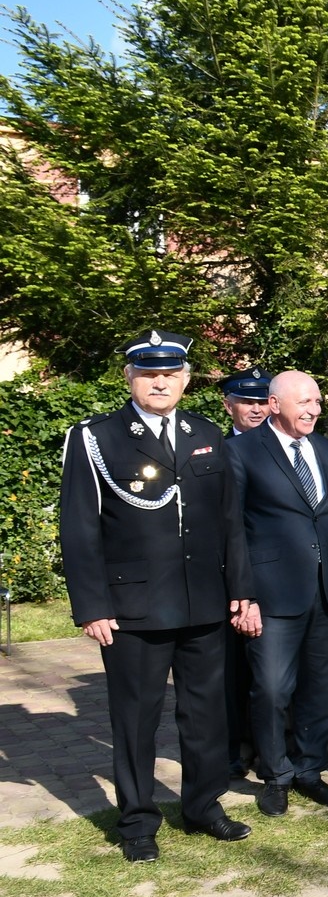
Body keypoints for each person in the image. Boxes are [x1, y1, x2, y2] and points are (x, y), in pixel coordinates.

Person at [59, 331, 254, 861]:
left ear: (186, 380)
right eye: (148, 374)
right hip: (133, 610)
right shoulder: (97, 438)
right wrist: (92, 605)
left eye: (170, 374)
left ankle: (203, 806)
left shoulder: (206, 432)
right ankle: (138, 821)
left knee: (207, 714)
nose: (160, 382)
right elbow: (78, 529)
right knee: (136, 718)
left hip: (204, 603)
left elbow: (229, 523)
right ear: (130, 379)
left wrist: (242, 590)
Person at [224, 370, 328, 818]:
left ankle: (310, 771)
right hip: (271, 596)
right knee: (273, 689)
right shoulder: (240, 451)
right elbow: (232, 530)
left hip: (325, 592)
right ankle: (275, 776)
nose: (314, 410)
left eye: (318, 401)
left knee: (320, 690)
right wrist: (243, 595)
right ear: (275, 405)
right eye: (305, 402)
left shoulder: (326, 449)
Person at [219, 365, 272, 780]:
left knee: (276, 674)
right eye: (246, 402)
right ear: (229, 405)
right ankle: (237, 748)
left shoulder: (286, 446)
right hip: (233, 579)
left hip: (278, 582)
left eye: (261, 402)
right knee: (235, 670)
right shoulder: (215, 451)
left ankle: (278, 746)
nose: (254, 410)